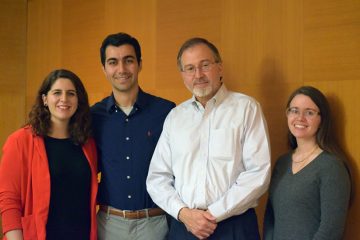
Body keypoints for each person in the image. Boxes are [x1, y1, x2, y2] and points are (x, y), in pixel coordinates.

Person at [146, 37, 271, 240]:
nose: (198, 75)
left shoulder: (246, 108)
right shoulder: (175, 117)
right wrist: (184, 214)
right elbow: (157, 178)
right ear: (183, 75)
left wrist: (211, 215)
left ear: (220, 68)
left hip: (233, 227)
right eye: (190, 68)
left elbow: (258, 173)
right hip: (184, 227)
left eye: (205, 65)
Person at [91, 32, 175, 240]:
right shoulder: (92, 116)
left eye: (128, 60)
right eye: (113, 62)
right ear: (104, 68)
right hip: (109, 224)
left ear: (139, 64)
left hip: (156, 224)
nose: (121, 69)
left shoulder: (166, 112)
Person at [0, 69, 98, 240]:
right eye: (57, 93)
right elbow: (8, 199)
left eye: (71, 94)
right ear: (45, 99)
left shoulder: (87, 143)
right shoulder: (20, 141)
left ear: (78, 100)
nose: (64, 99)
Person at [263, 86, 351, 240]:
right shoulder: (281, 163)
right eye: (294, 110)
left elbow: (331, 230)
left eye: (309, 112)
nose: (300, 118)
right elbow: (270, 218)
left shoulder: (332, 167)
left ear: (321, 119)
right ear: (287, 114)